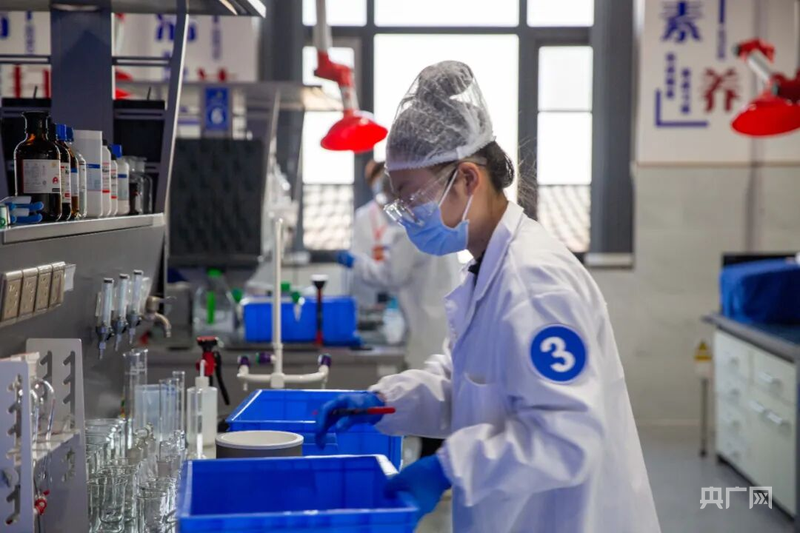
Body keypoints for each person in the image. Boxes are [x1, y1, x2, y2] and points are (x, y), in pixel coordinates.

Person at [316, 60, 661, 532]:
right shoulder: (487, 269)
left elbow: (568, 436)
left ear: (467, 179)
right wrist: (382, 402)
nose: (405, 215)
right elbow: (465, 384)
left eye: (411, 197)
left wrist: (448, 466)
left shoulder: (536, 282)